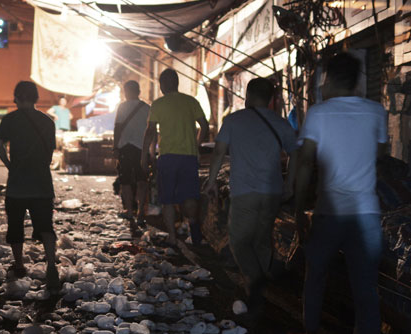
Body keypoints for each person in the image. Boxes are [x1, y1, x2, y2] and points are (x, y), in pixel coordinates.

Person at [291, 52, 388, 334]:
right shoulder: (376, 112)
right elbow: (379, 156)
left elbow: (304, 163)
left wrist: (297, 207)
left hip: (329, 212)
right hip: (366, 214)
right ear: (358, 80)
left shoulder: (318, 113)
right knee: (366, 287)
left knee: (315, 275)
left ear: (328, 79)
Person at [205, 77, 298, 309]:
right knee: (262, 238)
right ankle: (260, 284)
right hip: (272, 191)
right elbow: (296, 155)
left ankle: (254, 280)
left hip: (245, 191)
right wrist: (290, 185)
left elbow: (218, 153)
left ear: (247, 95)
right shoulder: (280, 122)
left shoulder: (233, 120)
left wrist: (211, 180)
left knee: (239, 240)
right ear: (271, 99)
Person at [0, 81, 61, 293]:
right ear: (35, 98)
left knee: (15, 225)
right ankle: (51, 266)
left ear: (17, 97)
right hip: (42, 183)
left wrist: (9, 164)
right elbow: (50, 154)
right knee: (46, 227)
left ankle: (20, 264)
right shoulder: (48, 122)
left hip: (17, 184)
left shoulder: (10, 120)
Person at [143, 68, 209, 246]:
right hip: (188, 156)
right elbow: (205, 126)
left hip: (167, 157)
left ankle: (172, 237)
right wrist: (196, 144)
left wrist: (146, 155)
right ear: (177, 83)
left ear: (163, 85)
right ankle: (195, 230)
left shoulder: (158, 104)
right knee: (190, 197)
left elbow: (150, 131)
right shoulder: (191, 101)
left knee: (168, 200)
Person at [113, 80, 151, 225]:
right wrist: (151, 151)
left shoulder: (122, 107)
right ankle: (141, 211)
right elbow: (151, 131)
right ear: (139, 91)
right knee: (142, 180)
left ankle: (129, 211)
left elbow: (117, 128)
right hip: (142, 149)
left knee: (126, 181)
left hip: (125, 148)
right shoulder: (147, 108)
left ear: (126, 92)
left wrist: (115, 147)